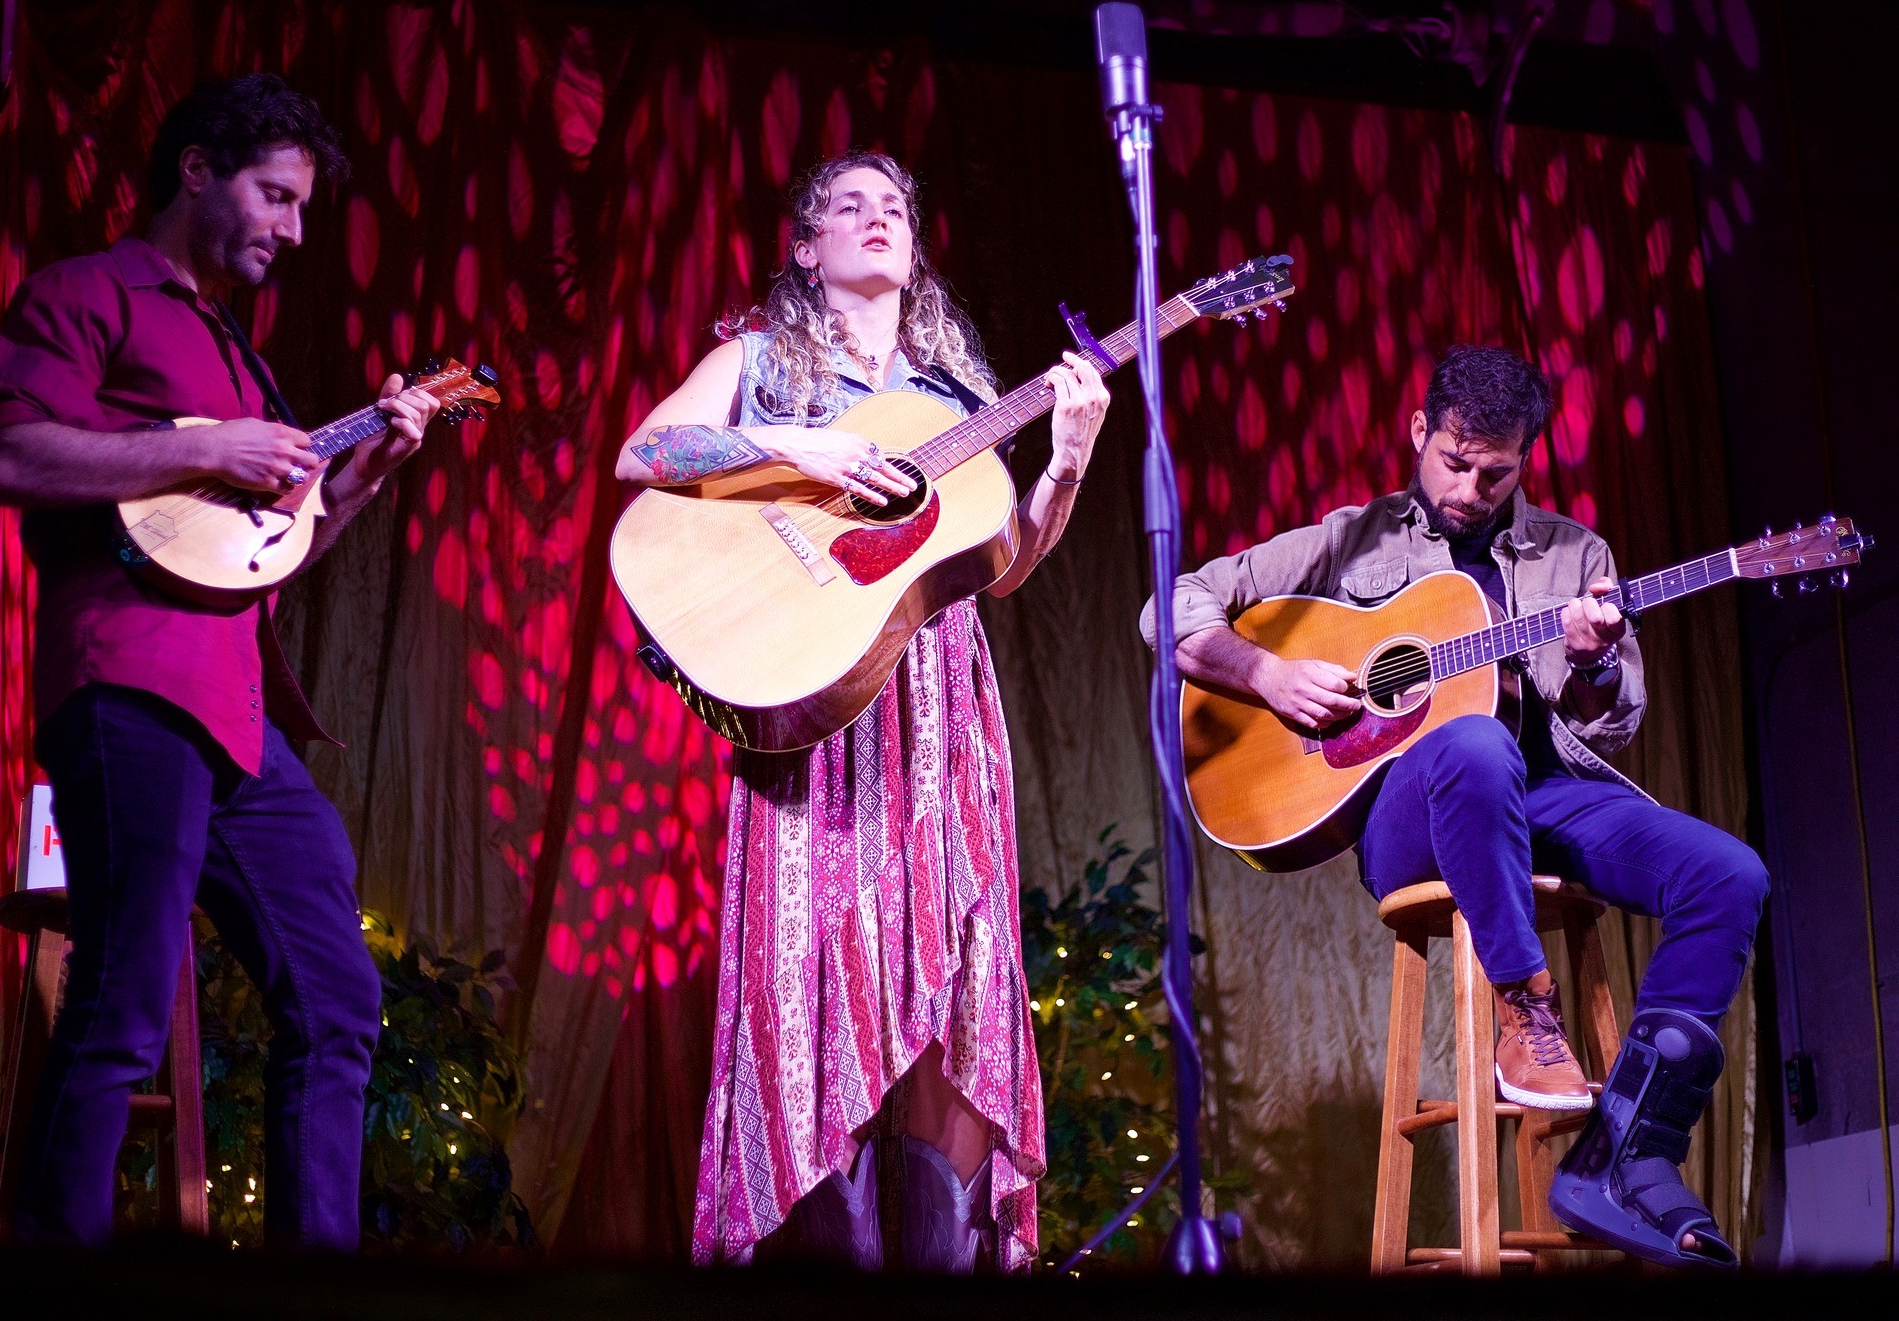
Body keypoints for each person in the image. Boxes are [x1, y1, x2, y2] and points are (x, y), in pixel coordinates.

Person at [1142, 345, 1766, 1269]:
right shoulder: (1349, 538)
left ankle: (1626, 1154)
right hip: (1413, 817)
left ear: (1527, 457)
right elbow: (1169, 607)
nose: (1472, 488)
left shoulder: (1574, 556)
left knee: (1731, 874)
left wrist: (1592, 656)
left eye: (1497, 470)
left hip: (1546, 794)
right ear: (1419, 433)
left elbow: (1612, 720)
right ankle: (1527, 1010)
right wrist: (1266, 671)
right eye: (1454, 462)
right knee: (1470, 744)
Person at [0, 74, 442, 1248]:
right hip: (127, 685)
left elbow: (260, 557)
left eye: (301, 209)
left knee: (336, 996)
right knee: (123, 996)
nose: (291, 229)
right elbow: (7, 456)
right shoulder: (89, 296)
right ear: (196, 171)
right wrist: (204, 447)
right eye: (275, 197)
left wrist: (362, 478)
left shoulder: (246, 361)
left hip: (235, 715)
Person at [616, 151, 1109, 1272]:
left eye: (894, 208)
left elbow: (1004, 567)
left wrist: (1067, 463)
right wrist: (792, 445)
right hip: (814, 718)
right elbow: (644, 452)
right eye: (850, 206)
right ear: (805, 246)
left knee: (953, 978)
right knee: (808, 982)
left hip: (937, 708)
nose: (877, 219)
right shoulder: (755, 360)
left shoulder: (956, 398)